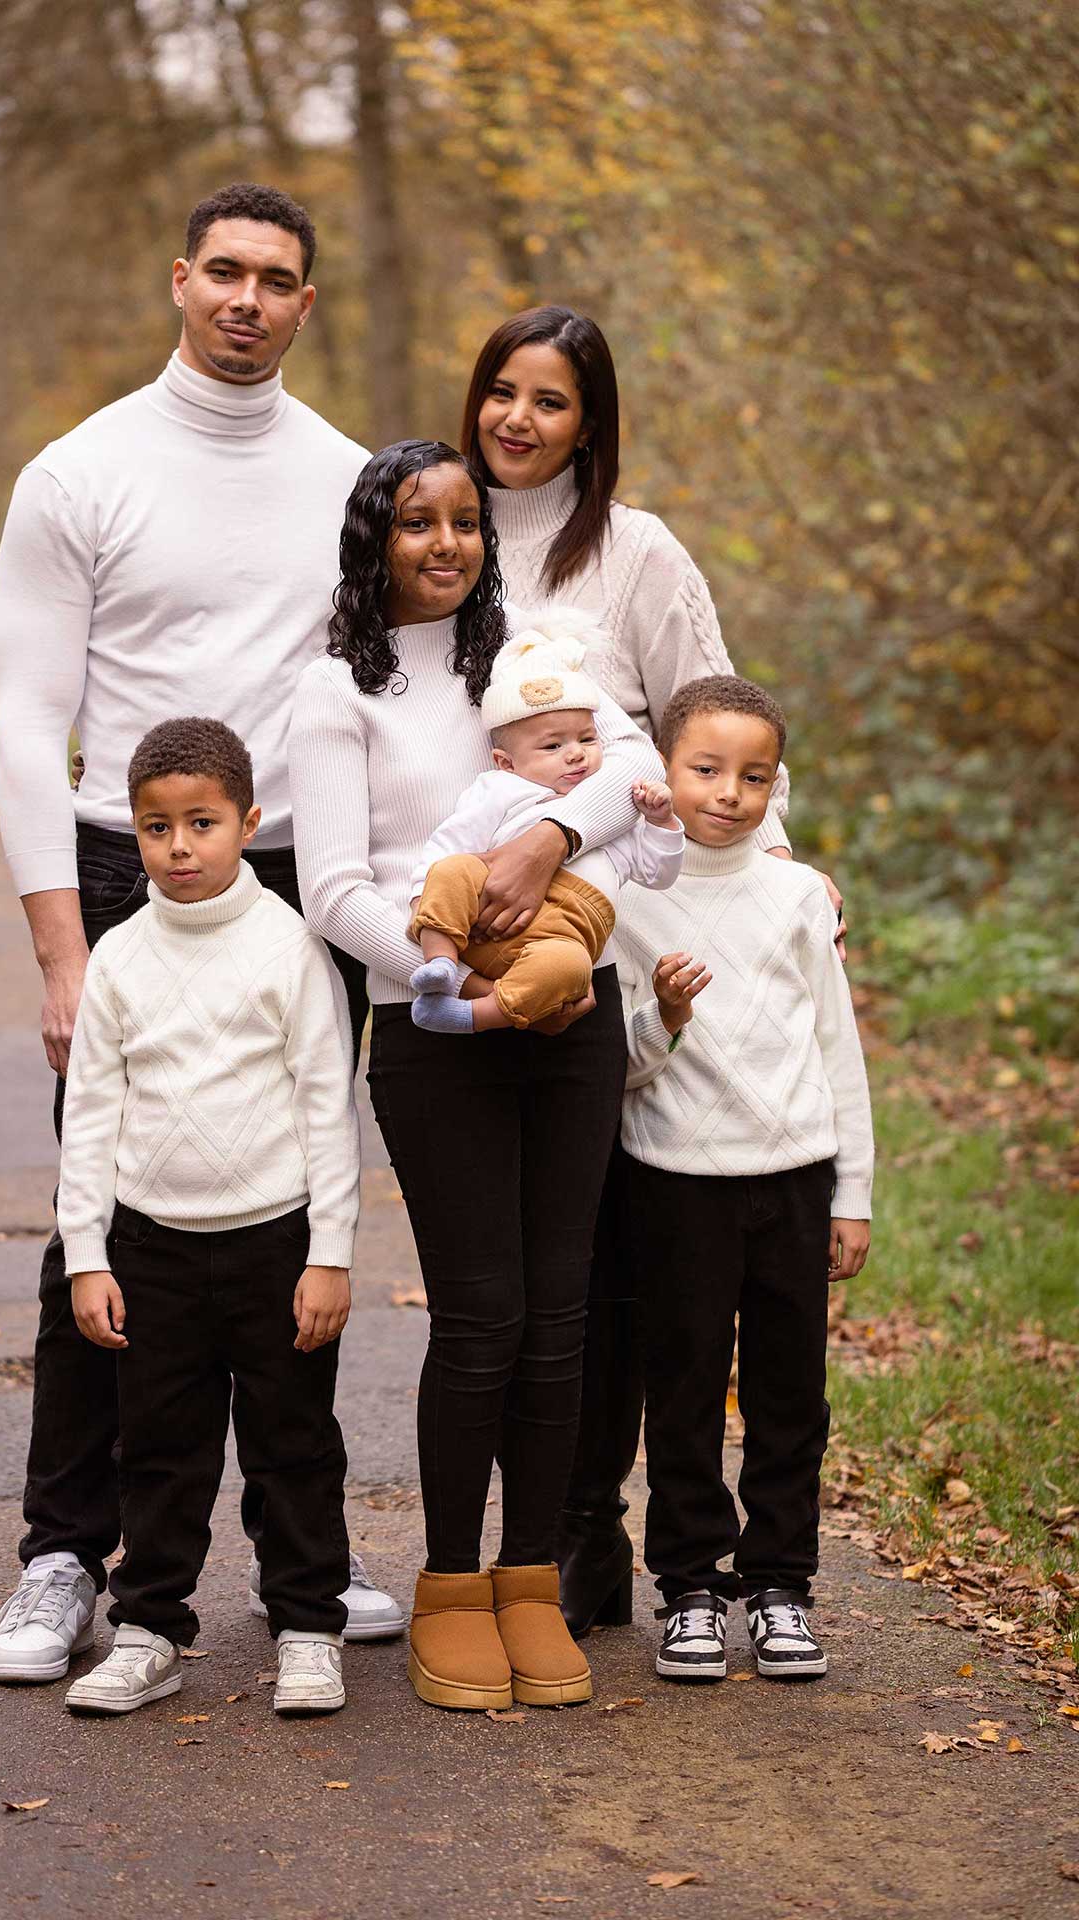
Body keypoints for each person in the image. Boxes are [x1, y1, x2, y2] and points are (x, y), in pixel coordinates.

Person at [0, 181, 401, 1689]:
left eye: (275, 278)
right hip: (123, 871)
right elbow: (28, 718)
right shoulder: (80, 472)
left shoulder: (352, 479)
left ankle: (310, 1558)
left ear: (305, 301)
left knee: (294, 1199)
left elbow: (390, 694)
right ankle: (63, 1554)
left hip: (304, 874)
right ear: (179, 280)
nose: (246, 297)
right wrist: (58, 948)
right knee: (110, 1203)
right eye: (222, 270)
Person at [460, 304, 841, 1635]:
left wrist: (786, 877)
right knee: (537, 1262)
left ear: (592, 421)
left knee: (629, 1249)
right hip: (484, 937)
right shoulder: (441, 537)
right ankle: (568, 1526)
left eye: (552, 400)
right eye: (502, 390)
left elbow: (709, 716)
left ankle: (609, 1545)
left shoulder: (636, 552)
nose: (520, 418)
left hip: (630, 931)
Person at [290, 439, 660, 1712]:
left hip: (571, 1018)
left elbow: (628, 768)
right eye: (414, 523)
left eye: (461, 521)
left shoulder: (526, 656)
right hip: (436, 1033)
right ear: (373, 540)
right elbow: (335, 887)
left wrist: (552, 835)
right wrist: (452, 986)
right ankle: (450, 1585)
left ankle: (529, 1580)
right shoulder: (338, 691)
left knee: (559, 1319)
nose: (444, 542)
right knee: (482, 1317)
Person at [52, 717, 358, 1717]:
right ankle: (148, 1629)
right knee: (160, 1448)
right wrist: (87, 1258)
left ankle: (308, 1625)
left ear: (247, 823)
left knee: (293, 1442)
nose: (178, 848)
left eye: (201, 823)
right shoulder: (122, 960)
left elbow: (326, 1104)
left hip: (274, 1241)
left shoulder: (288, 947)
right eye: (155, 828)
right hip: (151, 1248)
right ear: (132, 834)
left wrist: (330, 1255)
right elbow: (90, 1113)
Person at [615, 675, 873, 1680]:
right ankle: (687, 1588)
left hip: (794, 1176)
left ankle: (778, 1587)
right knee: (680, 1389)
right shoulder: (626, 898)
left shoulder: (799, 895)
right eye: (705, 769)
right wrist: (663, 1023)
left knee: (787, 1396)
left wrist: (851, 1192)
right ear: (663, 772)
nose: (726, 792)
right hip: (676, 1178)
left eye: (751, 775)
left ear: (776, 784)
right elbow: (622, 1065)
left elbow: (834, 1046)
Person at [408, 614, 683, 1034]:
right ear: (506, 762)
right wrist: (424, 901)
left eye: (587, 740)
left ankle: (472, 1016)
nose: (575, 754)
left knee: (572, 967)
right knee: (452, 869)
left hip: (556, 942)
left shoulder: (612, 809)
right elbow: (447, 847)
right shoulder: (499, 790)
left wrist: (662, 822)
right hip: (480, 928)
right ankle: (440, 961)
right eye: (553, 745)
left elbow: (658, 874)